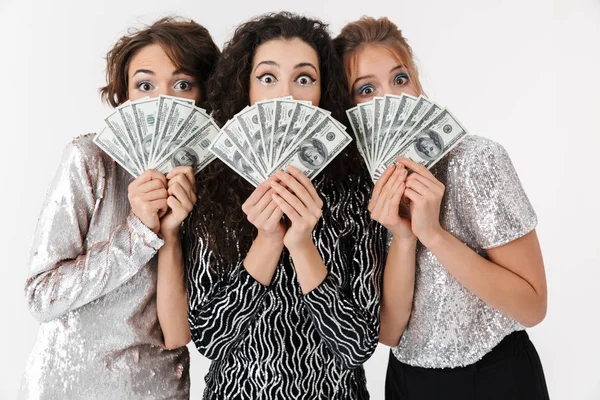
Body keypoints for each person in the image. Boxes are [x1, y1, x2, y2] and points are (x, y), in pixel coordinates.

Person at [335, 16, 550, 399]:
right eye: (366, 89)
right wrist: (402, 236)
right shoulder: (359, 190)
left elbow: (532, 307)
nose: (392, 99)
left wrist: (433, 235)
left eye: (400, 79)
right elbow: (389, 332)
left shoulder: (476, 160)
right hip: (408, 381)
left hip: (496, 377)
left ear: (416, 80)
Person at [183, 12, 386, 399]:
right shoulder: (212, 186)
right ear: (246, 88)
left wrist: (301, 243)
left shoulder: (355, 186)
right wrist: (268, 239)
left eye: (304, 78)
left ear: (323, 91)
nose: (286, 95)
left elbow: (359, 345)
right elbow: (210, 339)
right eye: (268, 77)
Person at [20, 17, 220, 399]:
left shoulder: (212, 184)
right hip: (65, 386)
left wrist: (173, 232)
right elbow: (40, 296)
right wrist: (139, 232)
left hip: (158, 386)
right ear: (125, 97)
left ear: (204, 97)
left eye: (182, 84)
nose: (162, 101)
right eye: (145, 85)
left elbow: (187, 329)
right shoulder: (90, 160)